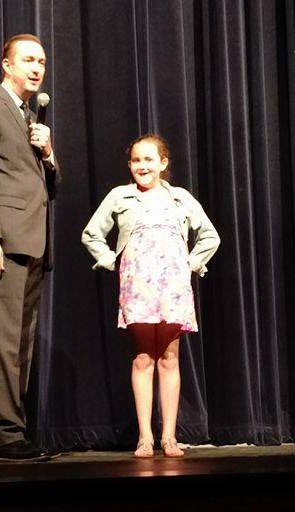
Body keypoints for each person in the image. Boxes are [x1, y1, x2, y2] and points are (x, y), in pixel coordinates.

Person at [81, 134, 219, 458]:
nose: (142, 166)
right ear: (130, 165)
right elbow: (92, 233)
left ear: (163, 163)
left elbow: (210, 236)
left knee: (169, 358)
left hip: (172, 286)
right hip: (138, 285)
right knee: (144, 358)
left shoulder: (180, 198)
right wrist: (111, 260)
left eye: (149, 160)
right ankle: (145, 436)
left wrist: (192, 262)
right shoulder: (121, 197)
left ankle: (169, 436)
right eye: (136, 160)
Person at [0, 34, 60, 462]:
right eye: (28, 60)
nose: (37, 68)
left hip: (32, 243)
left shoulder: (29, 117)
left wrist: (49, 152)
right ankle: (3, 436)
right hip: (3, 242)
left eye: (41, 61)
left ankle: (14, 434)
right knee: (3, 344)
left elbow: (47, 188)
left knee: (21, 344)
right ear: (7, 65)